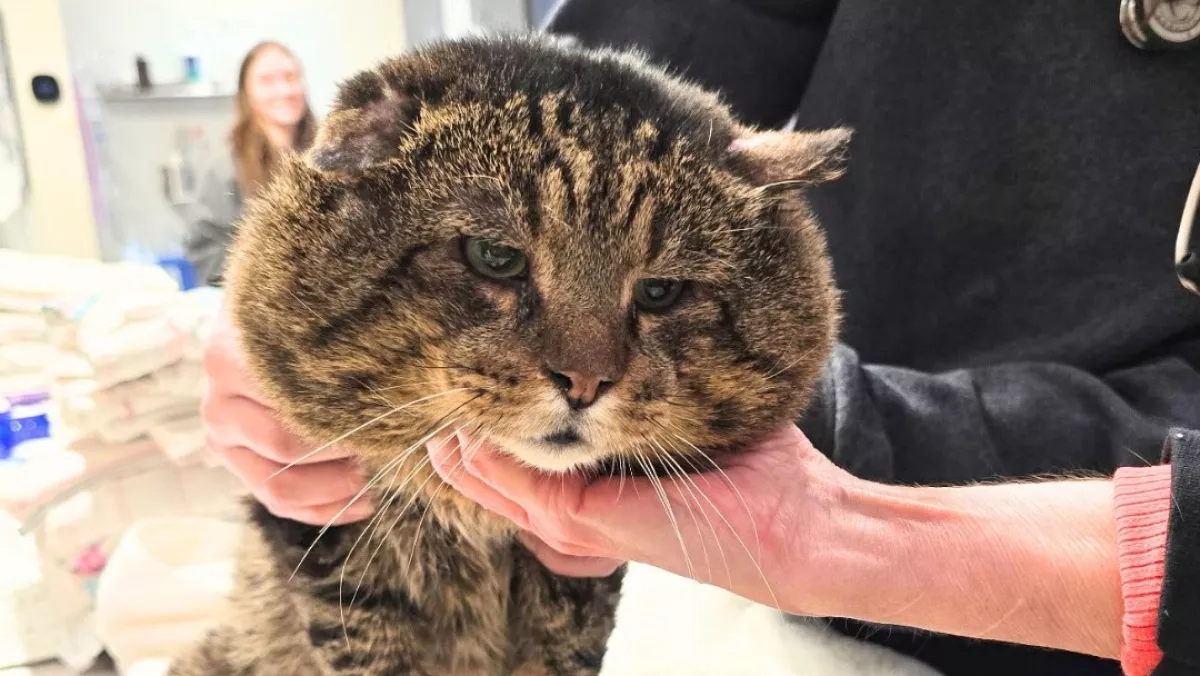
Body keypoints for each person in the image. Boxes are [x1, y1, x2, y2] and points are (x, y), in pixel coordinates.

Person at [200, 2, 1200, 675]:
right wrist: (304, 285)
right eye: (503, 266)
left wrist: (830, 467)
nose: (581, 370)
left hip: (1042, 564)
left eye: (658, 287)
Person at [181, 41, 317, 287]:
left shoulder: (328, 156)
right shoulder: (223, 170)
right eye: (267, 81)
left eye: (291, 77)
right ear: (247, 94)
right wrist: (266, 266)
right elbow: (205, 252)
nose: (284, 90)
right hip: (259, 306)